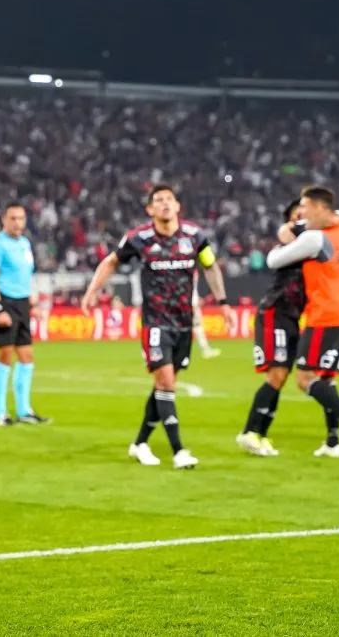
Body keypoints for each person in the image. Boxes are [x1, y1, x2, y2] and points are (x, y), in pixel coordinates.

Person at [81, 184, 237, 469]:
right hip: (155, 321)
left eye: (169, 199)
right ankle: (179, 451)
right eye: (158, 201)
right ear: (150, 210)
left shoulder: (195, 237)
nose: (164, 204)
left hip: (184, 322)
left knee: (164, 385)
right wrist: (92, 291)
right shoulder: (139, 239)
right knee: (165, 382)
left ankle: (140, 444)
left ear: (178, 206)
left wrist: (223, 302)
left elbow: (210, 266)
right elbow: (111, 262)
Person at [265, 185, 339, 455]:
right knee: (327, 377)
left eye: (304, 206)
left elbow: (273, 261)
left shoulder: (314, 240)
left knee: (305, 379)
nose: (300, 211)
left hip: (325, 314)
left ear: (319, 208)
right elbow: (292, 228)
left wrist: (287, 238)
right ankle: (332, 441)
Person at [237, 200, 304, 457]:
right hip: (275, 312)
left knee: (282, 377)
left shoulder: (310, 244)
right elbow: (285, 232)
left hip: (291, 316)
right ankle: (250, 432)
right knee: (275, 375)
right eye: (298, 215)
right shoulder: (288, 243)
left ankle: (260, 434)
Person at [0, 203, 50, 426]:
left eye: (21, 218)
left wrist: (34, 304)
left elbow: (25, 278)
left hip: (22, 304)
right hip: (5, 303)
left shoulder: (25, 244)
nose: (18, 223)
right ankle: (0, 413)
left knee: (27, 356)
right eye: (13, 218)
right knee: (4, 356)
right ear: (4, 219)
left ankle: (24, 410)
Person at [191, 272, 221, 358]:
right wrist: (193, 302)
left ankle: (205, 349)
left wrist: (197, 299)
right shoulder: (188, 269)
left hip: (191, 301)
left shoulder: (192, 271)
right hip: (189, 303)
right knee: (197, 326)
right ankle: (205, 350)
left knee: (198, 326)